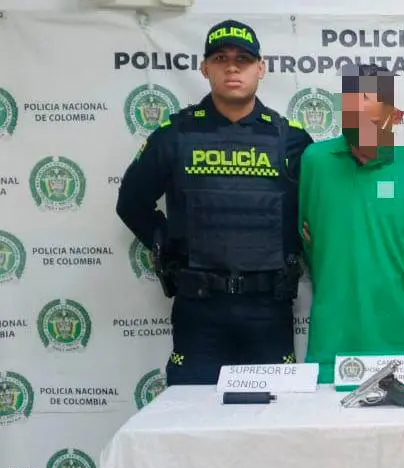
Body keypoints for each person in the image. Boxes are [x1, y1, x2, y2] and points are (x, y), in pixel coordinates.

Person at [116, 20, 314, 387]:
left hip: (268, 309)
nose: (232, 68)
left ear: (261, 68)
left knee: (276, 415)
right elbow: (131, 203)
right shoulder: (175, 136)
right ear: (205, 68)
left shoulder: (292, 140)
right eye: (221, 59)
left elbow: (319, 211)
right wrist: (169, 245)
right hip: (199, 309)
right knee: (192, 414)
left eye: (243, 59)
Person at [299, 63, 404, 384]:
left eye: (370, 100)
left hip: (401, 339)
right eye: (352, 99)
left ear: (394, 115)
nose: (360, 109)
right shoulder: (315, 162)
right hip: (332, 341)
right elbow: (309, 237)